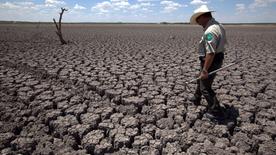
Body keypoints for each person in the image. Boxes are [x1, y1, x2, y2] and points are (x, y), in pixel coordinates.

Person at [189, 5, 227, 119]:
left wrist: (205, 69)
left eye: (198, 19)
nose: (198, 22)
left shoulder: (210, 31)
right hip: (215, 59)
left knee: (205, 87)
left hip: (211, 61)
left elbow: (211, 52)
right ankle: (196, 97)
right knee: (200, 78)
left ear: (203, 16)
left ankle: (216, 111)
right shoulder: (219, 25)